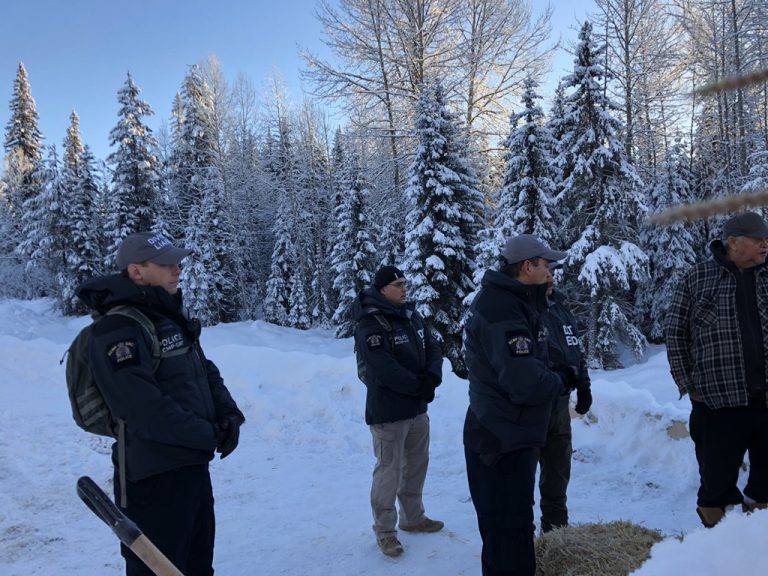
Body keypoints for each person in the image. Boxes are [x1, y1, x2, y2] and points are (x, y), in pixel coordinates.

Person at [77, 231, 245, 576]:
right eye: (166, 264)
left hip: (191, 468)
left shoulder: (166, 318)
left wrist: (230, 415)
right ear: (136, 272)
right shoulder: (116, 331)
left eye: (178, 263)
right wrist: (208, 435)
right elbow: (144, 410)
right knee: (157, 570)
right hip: (152, 477)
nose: (177, 270)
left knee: (198, 566)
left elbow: (203, 369)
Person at [463, 234, 575, 576]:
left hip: (511, 433)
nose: (551, 272)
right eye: (546, 265)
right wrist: (562, 380)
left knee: (508, 532)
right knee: (508, 535)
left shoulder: (519, 303)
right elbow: (524, 382)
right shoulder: (503, 310)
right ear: (528, 267)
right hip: (501, 440)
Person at [666, 211, 768, 528]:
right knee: (716, 480)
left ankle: (757, 534)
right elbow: (675, 333)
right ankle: (715, 541)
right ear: (734, 242)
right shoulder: (698, 278)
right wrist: (691, 386)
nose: (766, 244)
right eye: (758, 239)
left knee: (767, 477)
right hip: (718, 402)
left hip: (765, 400)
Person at [352, 265, 444, 558]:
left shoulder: (410, 314)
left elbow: (433, 345)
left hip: (417, 408)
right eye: (398, 285)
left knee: (416, 466)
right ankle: (386, 532)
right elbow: (383, 368)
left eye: (405, 283)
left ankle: (413, 518)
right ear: (382, 290)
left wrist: (432, 377)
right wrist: (419, 386)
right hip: (388, 412)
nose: (405, 288)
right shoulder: (370, 323)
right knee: (388, 472)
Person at [538, 265, 592, 534]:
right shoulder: (526, 310)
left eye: (552, 272)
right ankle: (520, 544)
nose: (551, 277)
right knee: (522, 478)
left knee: (558, 472)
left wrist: (583, 384)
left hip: (560, 407)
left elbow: (576, 350)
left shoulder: (561, 308)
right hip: (532, 407)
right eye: (545, 272)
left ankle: (555, 533)